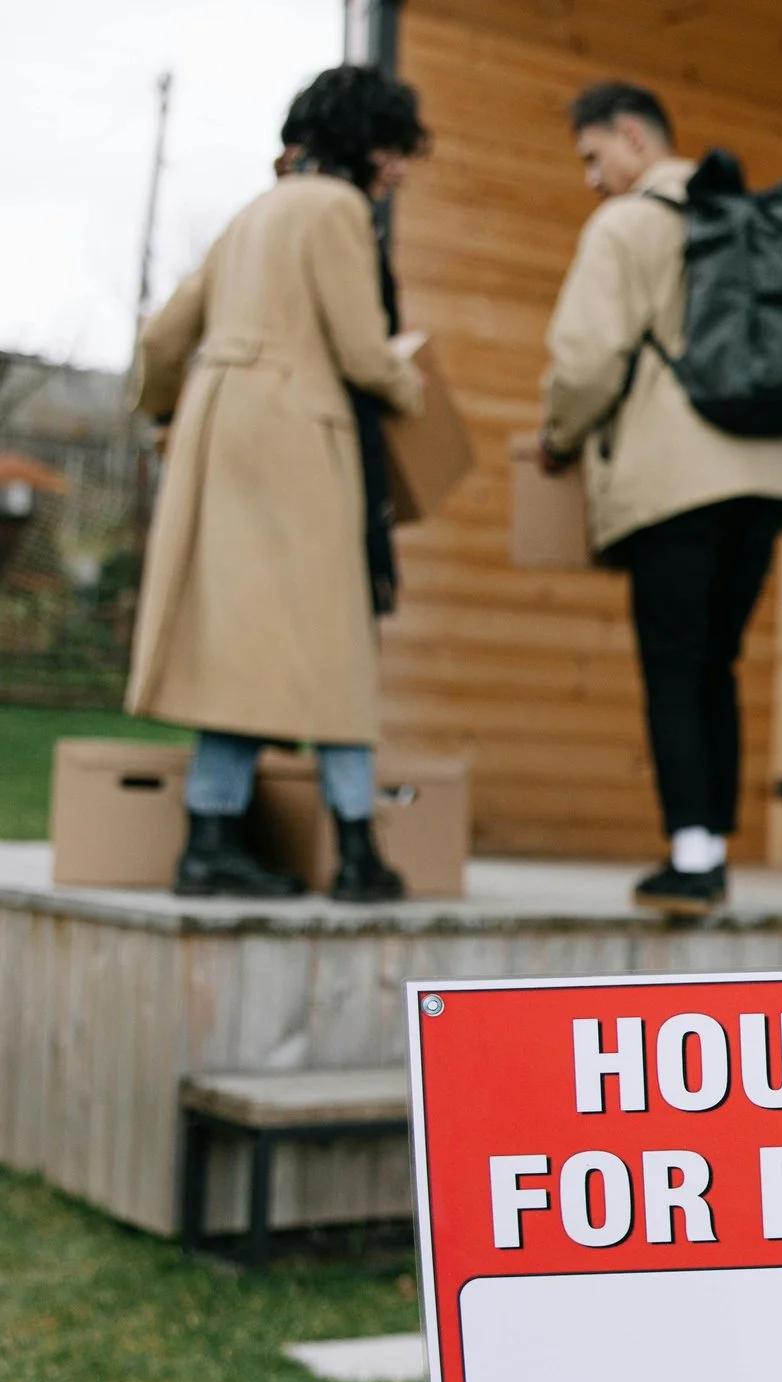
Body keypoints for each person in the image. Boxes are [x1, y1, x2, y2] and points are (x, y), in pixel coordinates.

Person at [126, 65, 429, 903]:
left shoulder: (251, 213)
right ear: (363, 142)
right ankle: (359, 850)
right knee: (336, 638)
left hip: (222, 432)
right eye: (394, 149)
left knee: (239, 641)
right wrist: (416, 388)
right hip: (301, 430)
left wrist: (164, 417)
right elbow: (364, 351)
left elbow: (160, 339)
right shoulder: (337, 210)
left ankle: (209, 840)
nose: (399, 168)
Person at [540, 81, 782, 916]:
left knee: (673, 663)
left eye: (593, 156)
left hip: (675, 481)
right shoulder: (748, 215)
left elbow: (586, 361)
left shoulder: (626, 224)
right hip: (766, 478)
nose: (591, 177)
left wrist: (558, 432)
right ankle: (712, 849)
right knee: (716, 663)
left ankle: (693, 862)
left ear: (632, 137)